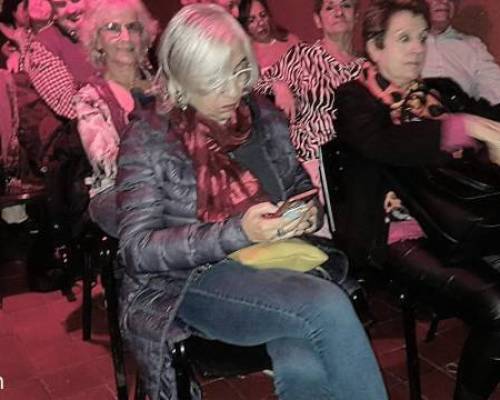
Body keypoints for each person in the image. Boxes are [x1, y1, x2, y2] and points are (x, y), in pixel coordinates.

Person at [116, 4, 388, 400]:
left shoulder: (263, 116)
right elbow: (137, 249)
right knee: (326, 306)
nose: (232, 92)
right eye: (214, 81)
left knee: (304, 362)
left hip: (277, 263)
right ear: (182, 77)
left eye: (239, 72)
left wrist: (305, 213)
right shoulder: (149, 138)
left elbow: (299, 186)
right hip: (192, 281)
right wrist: (238, 232)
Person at [329, 0, 500, 399]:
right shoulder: (355, 99)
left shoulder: (441, 93)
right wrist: (463, 128)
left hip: (462, 224)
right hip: (400, 235)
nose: (418, 49)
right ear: (375, 47)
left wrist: (484, 132)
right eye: (404, 39)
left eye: (422, 38)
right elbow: (384, 143)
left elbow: (489, 121)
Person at [254, 0, 364, 212]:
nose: (339, 12)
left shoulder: (366, 67)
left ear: (356, 15)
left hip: (356, 164)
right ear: (318, 20)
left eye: (346, 5)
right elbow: (253, 87)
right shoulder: (301, 56)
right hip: (311, 163)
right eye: (330, 7)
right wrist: (278, 85)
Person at [74, 0, 158, 238]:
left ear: (144, 36)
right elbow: (106, 163)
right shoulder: (90, 97)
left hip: (172, 183)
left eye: (133, 27)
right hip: (117, 191)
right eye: (113, 28)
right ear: (97, 41)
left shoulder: (164, 87)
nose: (126, 37)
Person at [422, 0, 500, 106]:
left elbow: (494, 88)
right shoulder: (403, 45)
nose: (444, 1)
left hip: (465, 113)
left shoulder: (473, 45)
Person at [238, 0, 300, 73]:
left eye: (263, 15)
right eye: (252, 20)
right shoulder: (245, 56)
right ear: (244, 26)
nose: (261, 23)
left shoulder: (290, 40)